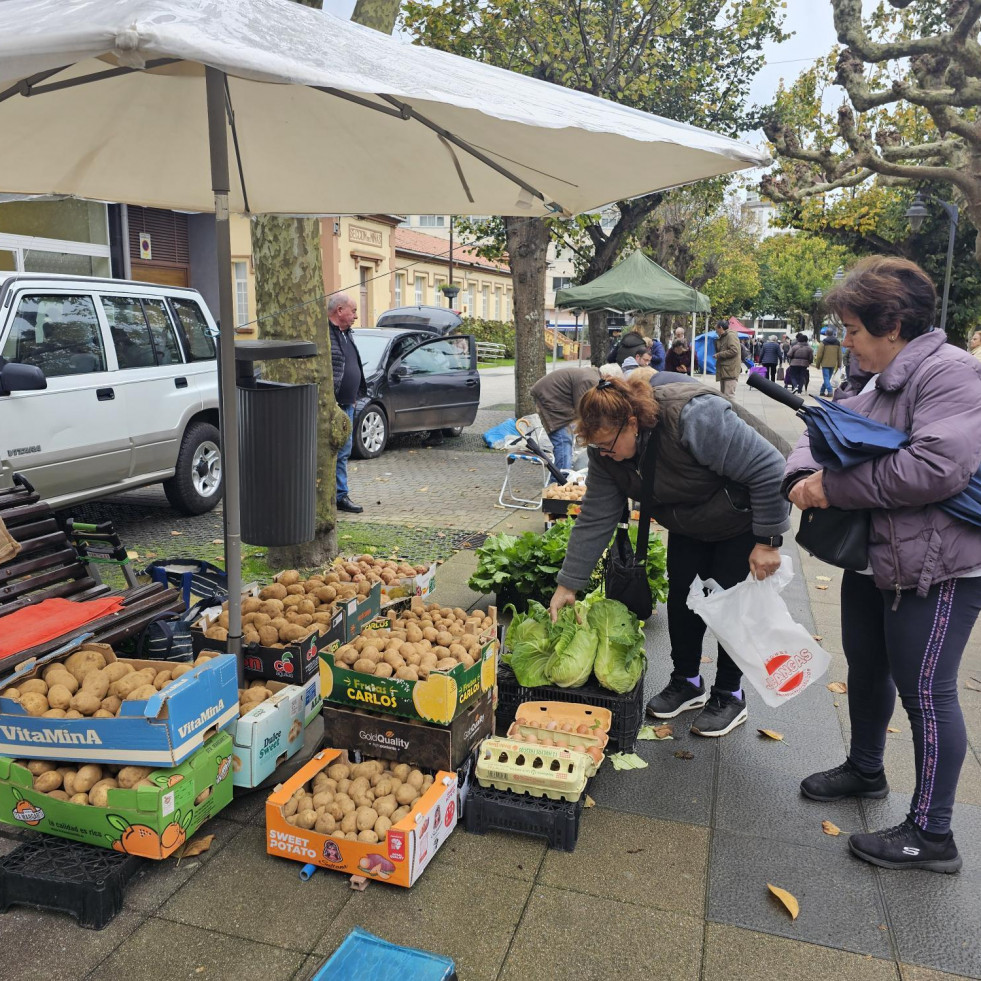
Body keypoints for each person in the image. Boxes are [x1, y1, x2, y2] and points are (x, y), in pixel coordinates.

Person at [785, 256, 981, 873]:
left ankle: (933, 832)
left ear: (892, 323)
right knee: (867, 668)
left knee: (926, 692)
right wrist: (800, 474)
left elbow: (934, 468)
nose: (846, 341)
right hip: (875, 558)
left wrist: (831, 489)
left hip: (937, 568)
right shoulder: (872, 375)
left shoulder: (954, 374)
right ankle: (866, 769)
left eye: (853, 329)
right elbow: (821, 430)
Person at [548, 374, 789, 737]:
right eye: (596, 447)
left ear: (632, 423)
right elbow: (596, 516)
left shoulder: (692, 417)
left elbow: (769, 467)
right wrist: (569, 584)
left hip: (739, 520)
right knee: (682, 602)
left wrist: (768, 541)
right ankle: (687, 681)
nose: (604, 454)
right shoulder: (606, 453)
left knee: (732, 609)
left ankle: (729, 694)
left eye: (608, 445)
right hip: (688, 523)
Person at [329, 292, 366, 514]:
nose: (355, 316)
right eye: (353, 311)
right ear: (339, 310)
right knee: (335, 451)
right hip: (333, 405)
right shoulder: (326, 334)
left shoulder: (347, 334)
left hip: (348, 403)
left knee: (344, 451)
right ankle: (336, 495)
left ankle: (341, 494)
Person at [530, 364, 601, 479]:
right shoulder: (591, 380)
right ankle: (559, 482)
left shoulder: (591, 376)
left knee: (566, 441)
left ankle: (561, 478)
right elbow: (581, 408)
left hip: (553, 397)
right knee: (563, 442)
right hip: (550, 398)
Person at [713, 319, 741, 396]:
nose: (716, 331)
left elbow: (734, 350)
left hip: (730, 370)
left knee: (729, 395)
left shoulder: (730, 335)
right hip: (725, 370)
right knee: (724, 396)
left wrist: (719, 355)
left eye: (716, 329)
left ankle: (732, 408)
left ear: (721, 328)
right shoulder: (724, 336)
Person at [814, 327, 843, 397]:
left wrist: (817, 364)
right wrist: (839, 364)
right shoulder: (838, 343)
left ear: (826, 334)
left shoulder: (823, 342)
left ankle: (830, 391)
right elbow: (840, 355)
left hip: (825, 363)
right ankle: (822, 391)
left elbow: (819, 355)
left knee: (826, 378)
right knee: (827, 378)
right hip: (833, 364)